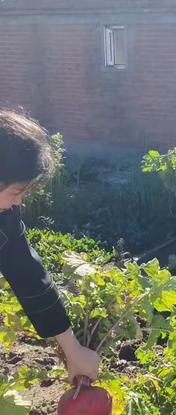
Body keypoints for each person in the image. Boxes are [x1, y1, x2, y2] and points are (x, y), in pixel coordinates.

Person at [0, 110, 100, 384]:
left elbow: (29, 274)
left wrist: (73, 349)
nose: (17, 204)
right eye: (15, 193)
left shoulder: (5, 217)